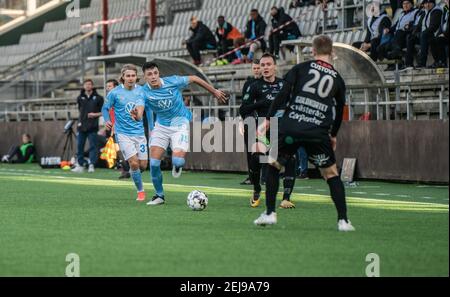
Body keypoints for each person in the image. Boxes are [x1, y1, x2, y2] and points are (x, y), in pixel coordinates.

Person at [254, 35, 355, 231]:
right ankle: (343, 221)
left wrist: (268, 119)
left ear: (313, 52)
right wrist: (333, 134)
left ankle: (269, 214)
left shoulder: (301, 69)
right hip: (317, 130)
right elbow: (340, 108)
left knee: (274, 165)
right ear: (332, 53)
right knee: (331, 174)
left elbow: (283, 94)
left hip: (292, 126)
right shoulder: (337, 78)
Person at [135, 62, 227, 206]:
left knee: (178, 161)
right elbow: (140, 109)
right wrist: (137, 116)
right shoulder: (142, 92)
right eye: (149, 74)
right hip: (161, 126)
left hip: (180, 123)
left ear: (159, 73)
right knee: (153, 164)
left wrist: (214, 91)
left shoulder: (173, 81)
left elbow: (195, 78)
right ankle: (159, 195)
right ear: (145, 77)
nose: (153, 77)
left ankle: (176, 165)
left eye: (155, 73)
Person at [239, 53, 297, 209]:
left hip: (281, 129)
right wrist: (261, 104)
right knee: (256, 157)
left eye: (268, 64)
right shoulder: (254, 86)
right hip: (261, 130)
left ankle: (286, 198)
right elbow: (243, 109)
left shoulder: (285, 85)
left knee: (291, 158)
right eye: (262, 65)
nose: (265, 68)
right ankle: (257, 189)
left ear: (275, 66)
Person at [102, 64, 151, 202]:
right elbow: (105, 108)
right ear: (123, 77)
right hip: (123, 134)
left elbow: (146, 109)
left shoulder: (141, 91)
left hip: (139, 133)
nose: (130, 78)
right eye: (128, 76)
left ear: (137, 77)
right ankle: (140, 191)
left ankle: (133, 172)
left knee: (142, 166)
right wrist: (107, 120)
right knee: (134, 163)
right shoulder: (115, 93)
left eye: (133, 76)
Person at [72, 79, 104, 173]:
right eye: (86, 84)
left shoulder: (99, 98)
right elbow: (80, 110)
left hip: (93, 127)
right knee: (79, 146)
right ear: (83, 86)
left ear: (92, 86)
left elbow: (103, 112)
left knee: (93, 146)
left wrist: (95, 115)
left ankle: (92, 164)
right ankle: (80, 164)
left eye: (90, 84)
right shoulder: (80, 97)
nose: (88, 86)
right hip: (81, 126)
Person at [377, 0, 418, 70]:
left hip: (406, 36)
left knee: (399, 33)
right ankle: (395, 61)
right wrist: (388, 30)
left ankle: (397, 60)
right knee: (380, 48)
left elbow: (416, 24)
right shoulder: (401, 14)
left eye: (407, 3)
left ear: (412, 4)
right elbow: (396, 26)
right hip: (396, 39)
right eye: (404, 4)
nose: (405, 5)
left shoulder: (415, 12)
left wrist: (409, 26)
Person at [239, 59, 261, 186]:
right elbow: (244, 103)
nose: (257, 70)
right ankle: (252, 176)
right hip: (250, 119)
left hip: (264, 120)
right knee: (250, 150)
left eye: (258, 68)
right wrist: (242, 120)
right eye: (255, 68)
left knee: (265, 148)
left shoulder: (266, 83)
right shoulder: (248, 84)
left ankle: (264, 176)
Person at [105, 78, 131, 179]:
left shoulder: (119, 98)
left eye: (109, 86)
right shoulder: (110, 98)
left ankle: (129, 169)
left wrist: (116, 125)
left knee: (123, 149)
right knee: (118, 150)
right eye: (107, 87)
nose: (108, 89)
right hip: (114, 128)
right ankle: (125, 170)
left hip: (122, 128)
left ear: (115, 87)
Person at [406, 0, 443, 68]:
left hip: (434, 34)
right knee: (410, 37)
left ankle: (422, 63)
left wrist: (422, 33)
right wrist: (414, 33)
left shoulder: (437, 11)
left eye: (430, 3)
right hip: (425, 35)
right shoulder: (425, 12)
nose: (428, 5)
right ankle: (408, 63)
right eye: (426, 3)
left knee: (424, 35)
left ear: (433, 3)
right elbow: (419, 25)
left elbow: (433, 27)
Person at [429, 0, 448, 68]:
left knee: (439, 40)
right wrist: (439, 33)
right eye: (447, 0)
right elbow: (442, 24)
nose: (448, 1)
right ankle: (437, 61)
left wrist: (445, 34)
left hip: (447, 34)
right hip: (444, 33)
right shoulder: (445, 9)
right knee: (432, 40)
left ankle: (443, 62)